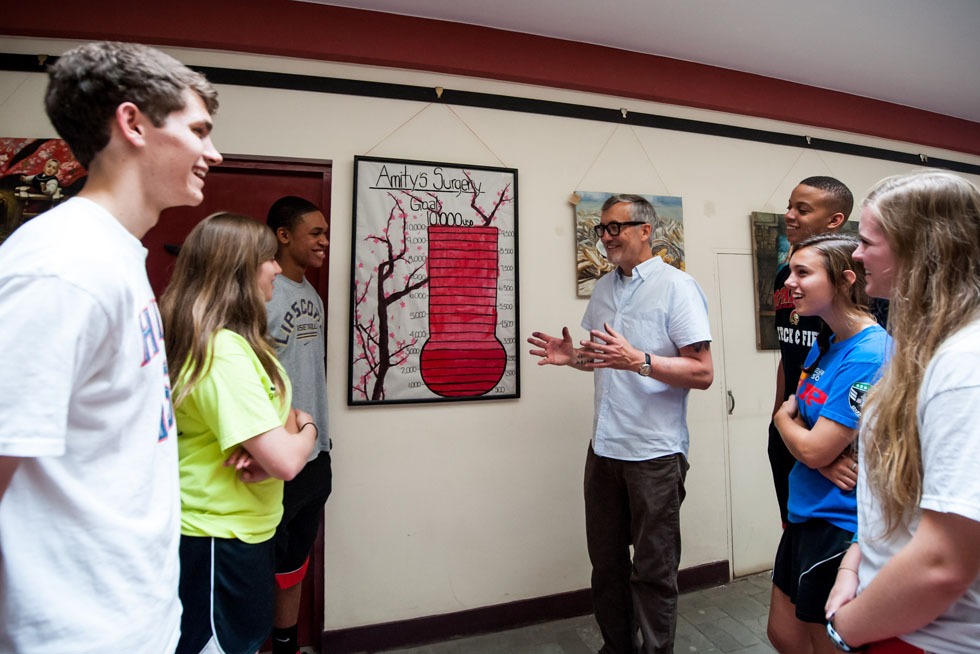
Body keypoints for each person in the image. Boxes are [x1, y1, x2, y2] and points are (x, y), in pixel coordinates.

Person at [0, 41, 221, 654]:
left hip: (137, 619)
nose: (213, 152)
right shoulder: (61, 267)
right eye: (198, 130)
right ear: (133, 124)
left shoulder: (114, 255)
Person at [528, 194, 713, 653]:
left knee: (653, 572)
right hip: (605, 451)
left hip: (654, 454)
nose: (606, 237)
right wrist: (573, 358)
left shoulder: (677, 287)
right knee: (606, 568)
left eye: (616, 227)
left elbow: (702, 372)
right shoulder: (604, 289)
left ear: (646, 230)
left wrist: (642, 360)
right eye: (602, 229)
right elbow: (603, 360)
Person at [824, 170, 980, 653]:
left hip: (932, 640)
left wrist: (846, 629)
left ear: (921, 250)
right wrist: (853, 566)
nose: (854, 253)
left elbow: (943, 565)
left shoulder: (965, 364)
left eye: (868, 241)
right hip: (895, 618)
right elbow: (897, 495)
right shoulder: (923, 349)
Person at [161, 212, 318, 654]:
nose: (275, 268)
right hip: (216, 535)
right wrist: (308, 430)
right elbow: (287, 457)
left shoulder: (240, 342)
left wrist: (287, 437)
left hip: (245, 531)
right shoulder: (223, 350)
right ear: (240, 270)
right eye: (268, 259)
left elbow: (281, 434)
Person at [766, 234, 890, 653]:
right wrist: (813, 450)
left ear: (844, 279)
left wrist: (785, 422)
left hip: (840, 523)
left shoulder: (870, 351)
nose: (791, 285)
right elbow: (810, 434)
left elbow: (800, 423)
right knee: (782, 635)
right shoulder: (827, 341)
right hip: (805, 510)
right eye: (790, 273)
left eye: (804, 273)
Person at [770, 176, 869, 525]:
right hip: (796, 417)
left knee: (826, 545)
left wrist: (822, 452)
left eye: (802, 209)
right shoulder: (785, 277)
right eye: (789, 206)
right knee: (792, 527)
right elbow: (790, 353)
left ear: (834, 221)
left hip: (836, 433)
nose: (790, 215)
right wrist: (780, 415)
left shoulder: (859, 292)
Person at [265, 196, 333, 654]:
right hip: (276, 459)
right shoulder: (261, 294)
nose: (324, 241)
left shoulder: (310, 292)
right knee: (257, 567)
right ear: (283, 236)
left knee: (294, 564)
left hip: (316, 453)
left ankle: (286, 645)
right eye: (316, 233)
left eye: (326, 233)